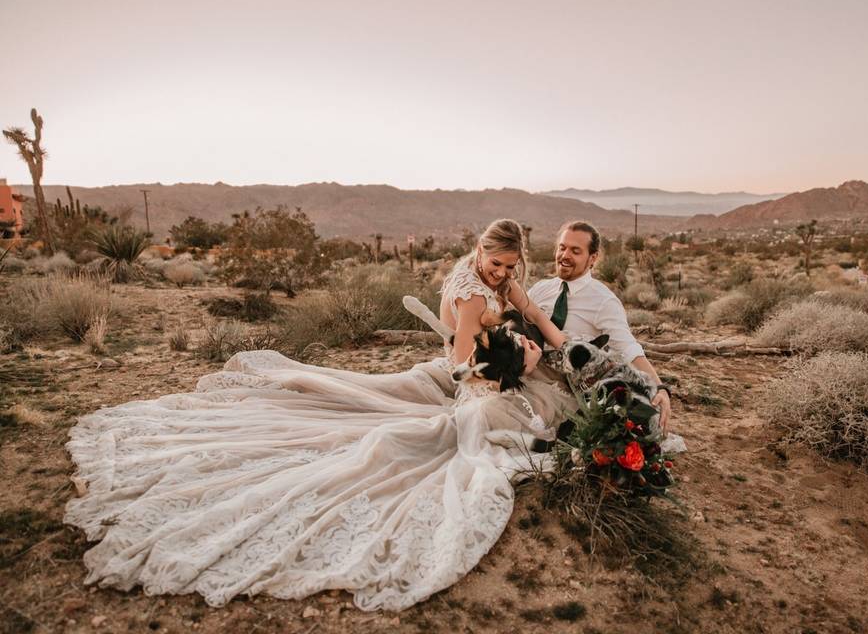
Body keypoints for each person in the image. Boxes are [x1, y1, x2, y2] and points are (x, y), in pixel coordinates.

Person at [64, 218, 574, 612]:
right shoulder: (470, 297)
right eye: (498, 265)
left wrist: (563, 345)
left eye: (511, 267)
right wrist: (519, 363)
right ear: (480, 252)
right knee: (417, 440)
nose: (504, 275)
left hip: (476, 366)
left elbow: (530, 312)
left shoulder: (498, 282)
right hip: (470, 381)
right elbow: (464, 367)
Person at [528, 221, 672, 431]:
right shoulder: (540, 290)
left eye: (575, 251)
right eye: (562, 247)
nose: (565, 255)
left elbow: (629, 348)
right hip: (528, 370)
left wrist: (659, 387)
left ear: (592, 258)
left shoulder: (604, 301)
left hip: (565, 388)